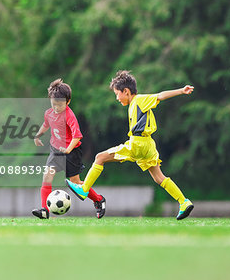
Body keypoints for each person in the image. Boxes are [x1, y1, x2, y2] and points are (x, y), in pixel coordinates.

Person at [67, 71, 194, 220]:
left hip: (138, 143)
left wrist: (181, 91)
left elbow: (160, 95)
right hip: (149, 145)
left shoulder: (139, 100)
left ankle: (84, 189)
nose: (117, 98)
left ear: (126, 91)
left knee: (99, 157)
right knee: (159, 178)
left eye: (117, 94)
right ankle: (184, 202)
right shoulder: (133, 104)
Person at [32, 79, 106, 219]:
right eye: (53, 104)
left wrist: (67, 150)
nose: (56, 108)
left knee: (76, 183)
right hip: (56, 151)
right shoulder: (49, 113)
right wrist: (38, 135)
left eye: (60, 105)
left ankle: (98, 200)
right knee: (47, 176)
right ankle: (44, 210)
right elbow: (46, 124)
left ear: (68, 102)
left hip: (72, 153)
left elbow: (77, 136)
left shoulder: (69, 115)